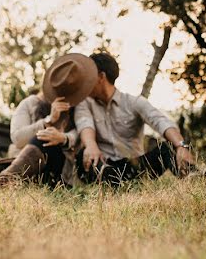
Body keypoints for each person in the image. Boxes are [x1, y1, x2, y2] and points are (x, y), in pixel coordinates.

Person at [0, 53, 98, 187]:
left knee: (45, 139)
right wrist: (47, 121)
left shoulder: (78, 107)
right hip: (21, 164)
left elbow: (79, 132)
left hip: (55, 171)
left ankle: (2, 181)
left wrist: (62, 138)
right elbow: (18, 139)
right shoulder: (29, 103)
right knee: (27, 149)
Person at [74, 52, 194, 186]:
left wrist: (181, 146)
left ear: (101, 76)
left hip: (134, 168)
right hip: (103, 167)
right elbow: (84, 123)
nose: (84, 82)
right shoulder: (84, 102)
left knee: (168, 148)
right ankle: (112, 184)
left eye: (88, 76)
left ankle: (194, 175)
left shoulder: (134, 102)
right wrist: (90, 145)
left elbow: (161, 121)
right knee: (82, 157)